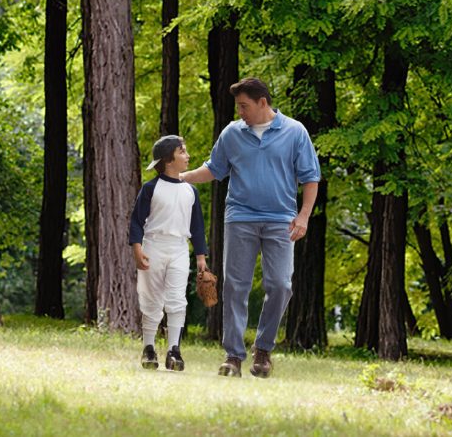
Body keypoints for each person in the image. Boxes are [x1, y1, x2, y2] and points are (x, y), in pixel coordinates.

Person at [180, 78, 320, 378]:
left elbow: (310, 177)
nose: (240, 111)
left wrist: (304, 216)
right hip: (240, 217)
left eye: (244, 106)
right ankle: (233, 356)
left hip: (281, 220)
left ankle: (263, 349)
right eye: (238, 107)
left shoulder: (295, 132)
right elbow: (214, 169)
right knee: (235, 287)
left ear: (263, 103)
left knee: (281, 285)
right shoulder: (232, 133)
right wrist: (183, 177)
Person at [129, 135, 208, 371]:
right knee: (151, 298)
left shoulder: (190, 191)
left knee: (176, 299)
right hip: (153, 246)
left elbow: (197, 227)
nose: (188, 156)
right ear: (167, 159)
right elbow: (136, 221)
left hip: (179, 249)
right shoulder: (151, 188)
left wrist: (201, 256)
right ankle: (149, 347)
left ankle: (174, 350)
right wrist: (137, 248)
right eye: (182, 152)